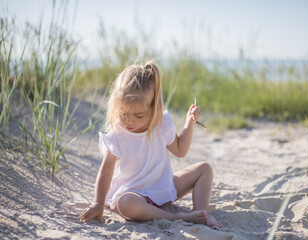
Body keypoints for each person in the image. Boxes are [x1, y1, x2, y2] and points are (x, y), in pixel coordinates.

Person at [80, 61, 221, 228]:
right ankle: (178, 218)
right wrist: (98, 203)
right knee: (126, 204)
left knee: (205, 169)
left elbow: (180, 150)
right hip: (134, 194)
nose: (129, 120)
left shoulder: (162, 124)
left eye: (138, 115)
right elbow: (106, 171)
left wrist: (189, 123)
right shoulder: (117, 135)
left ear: (154, 107)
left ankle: (201, 214)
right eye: (123, 113)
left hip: (162, 188)